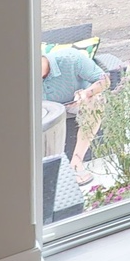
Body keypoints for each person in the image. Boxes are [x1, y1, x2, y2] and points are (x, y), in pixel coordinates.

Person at [42, 47, 108, 186]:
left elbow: (104, 80)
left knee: (96, 102)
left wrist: (87, 93)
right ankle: (47, 171)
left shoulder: (71, 58)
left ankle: (76, 164)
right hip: (45, 111)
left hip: (75, 103)